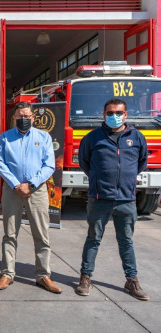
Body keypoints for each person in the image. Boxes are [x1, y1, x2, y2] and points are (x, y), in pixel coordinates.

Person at [76, 98, 149, 301]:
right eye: (110, 113)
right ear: (104, 115)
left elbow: (141, 163)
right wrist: (100, 180)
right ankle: (85, 277)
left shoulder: (137, 137)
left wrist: (126, 182)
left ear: (126, 115)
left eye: (118, 113)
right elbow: (85, 162)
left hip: (126, 199)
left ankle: (131, 280)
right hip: (99, 199)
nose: (114, 116)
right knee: (93, 239)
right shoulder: (93, 138)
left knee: (126, 241)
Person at [0, 101, 61, 294]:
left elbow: (49, 165)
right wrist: (16, 184)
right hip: (12, 190)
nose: (23, 119)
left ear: (33, 117)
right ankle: (7, 273)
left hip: (36, 190)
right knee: (9, 233)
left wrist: (30, 184)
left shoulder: (44, 137)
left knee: (41, 234)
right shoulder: (5, 138)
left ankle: (43, 276)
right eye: (19, 117)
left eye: (27, 116)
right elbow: (0, 162)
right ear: (14, 118)